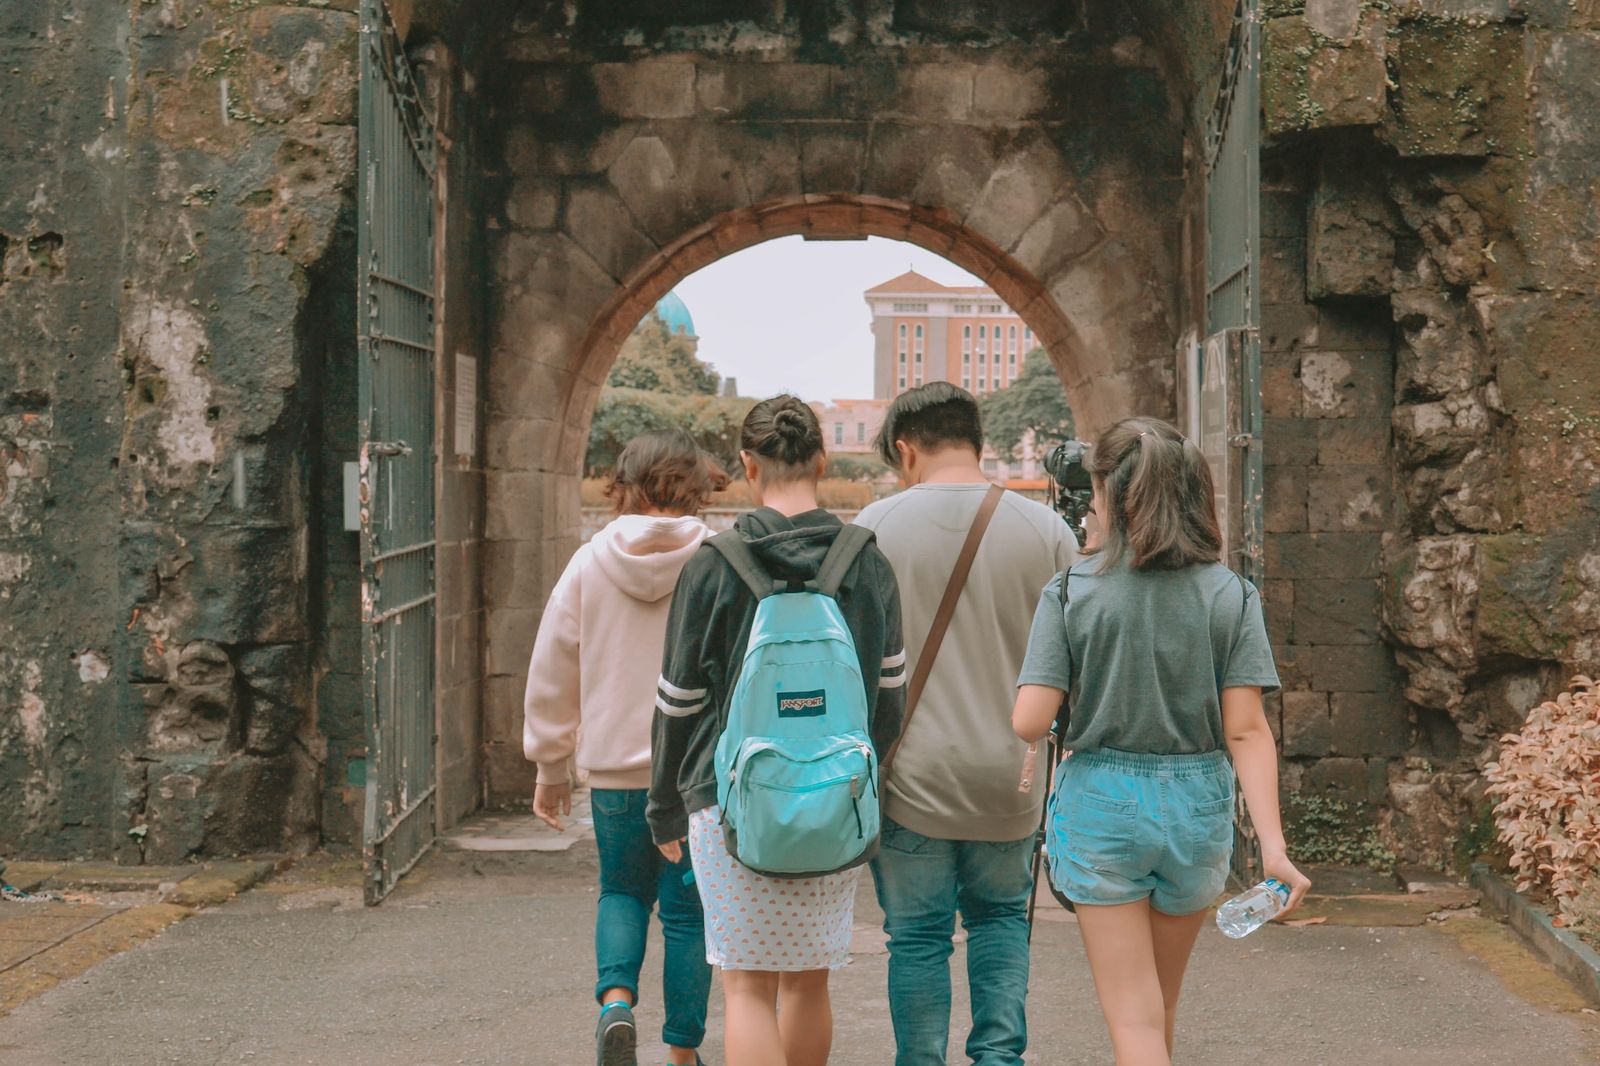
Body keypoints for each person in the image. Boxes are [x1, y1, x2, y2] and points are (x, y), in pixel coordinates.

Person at [1012, 416, 1312, 1066]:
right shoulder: (1231, 595)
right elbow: (1246, 729)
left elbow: (1031, 720)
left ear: (1112, 498)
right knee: (1159, 1008)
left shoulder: (1072, 591)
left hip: (1104, 807)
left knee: (1134, 1022)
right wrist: (1275, 847)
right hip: (1200, 808)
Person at [648, 395, 906, 1066]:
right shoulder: (865, 561)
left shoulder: (715, 563)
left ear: (746, 464)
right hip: (835, 795)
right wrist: (850, 775)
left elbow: (678, 702)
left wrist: (663, 806)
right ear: (821, 459)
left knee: (746, 986)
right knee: (809, 980)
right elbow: (889, 697)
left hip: (728, 800)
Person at [853, 382, 1078, 1066]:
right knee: (1001, 922)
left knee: (917, 938)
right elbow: (1077, 660)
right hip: (1013, 775)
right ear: (977, 441)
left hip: (910, 777)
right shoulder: (1048, 532)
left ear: (904, 448)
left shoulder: (874, 527)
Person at [523, 429, 724, 1066]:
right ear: (698, 485)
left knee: (621, 893)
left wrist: (551, 764)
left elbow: (552, 664)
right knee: (690, 916)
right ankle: (683, 1053)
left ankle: (615, 1003)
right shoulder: (720, 559)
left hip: (615, 773)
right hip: (696, 772)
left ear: (623, 485)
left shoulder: (590, 561)